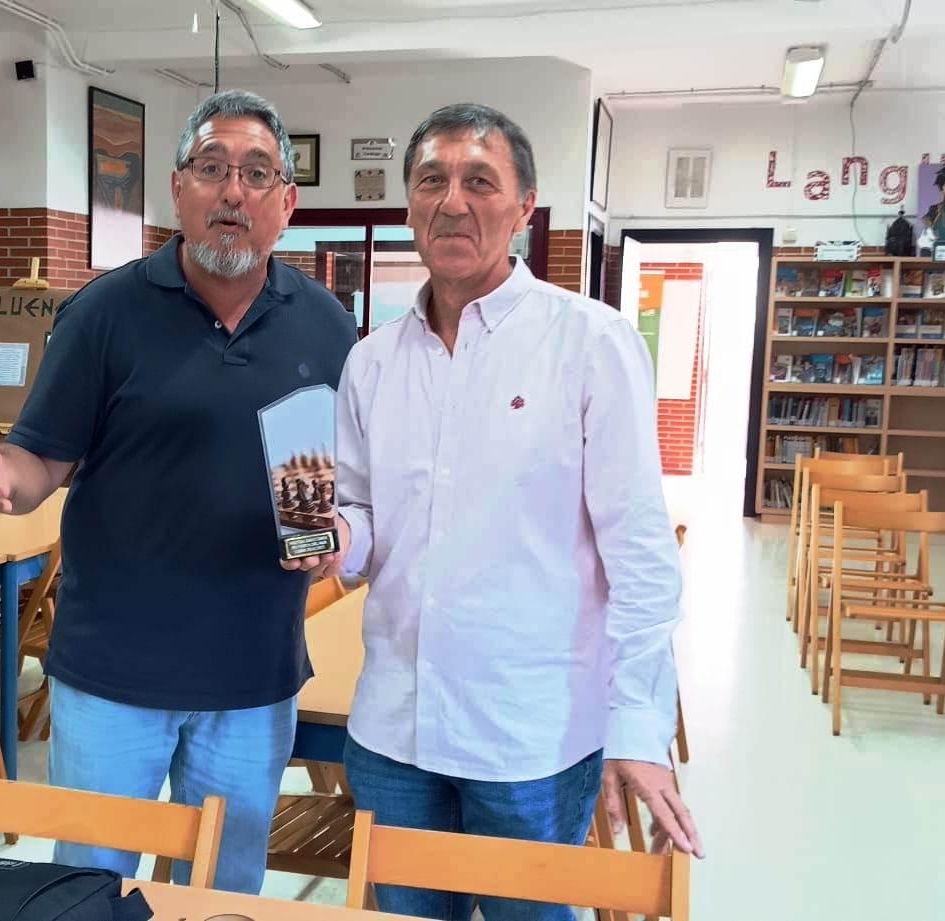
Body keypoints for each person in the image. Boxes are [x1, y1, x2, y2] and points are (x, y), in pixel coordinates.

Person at [0, 90, 355, 893]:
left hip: (253, 674)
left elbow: (346, 481)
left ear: (287, 203)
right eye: (212, 167)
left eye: (257, 173)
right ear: (178, 187)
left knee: (223, 890)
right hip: (112, 675)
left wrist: (337, 532)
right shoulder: (104, 312)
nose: (233, 191)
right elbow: (37, 464)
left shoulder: (327, 326)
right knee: (89, 889)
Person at [326, 103, 700, 921]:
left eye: (480, 181)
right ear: (409, 204)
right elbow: (363, 513)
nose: (452, 202)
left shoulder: (590, 344)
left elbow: (641, 555)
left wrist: (638, 727)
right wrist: (337, 539)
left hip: (529, 738)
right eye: (432, 180)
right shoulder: (371, 362)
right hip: (393, 729)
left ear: (524, 207)